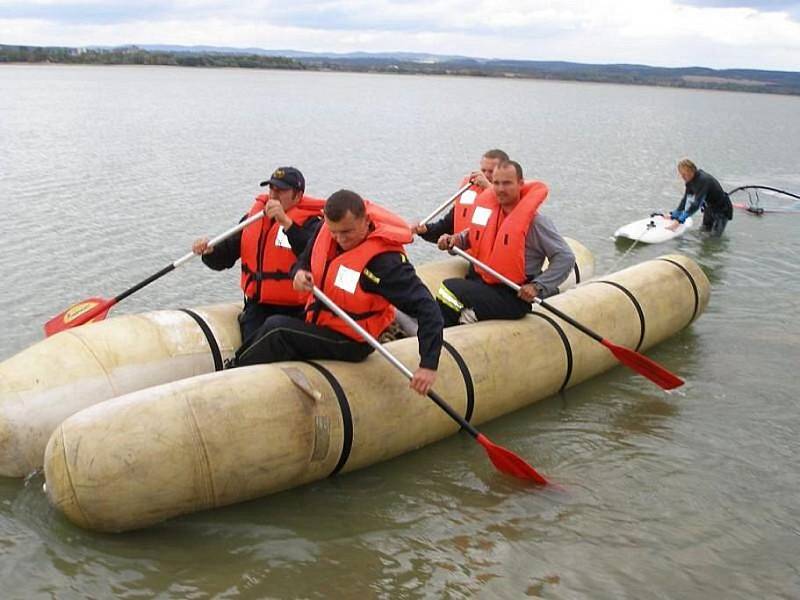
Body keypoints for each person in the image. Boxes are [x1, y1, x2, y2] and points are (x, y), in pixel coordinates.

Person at [232, 189, 444, 396]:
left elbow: (427, 308)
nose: (339, 238)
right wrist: (299, 272)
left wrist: (428, 365)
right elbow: (304, 260)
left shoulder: (385, 263)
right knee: (263, 317)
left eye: (347, 232)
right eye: (334, 232)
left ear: (365, 220)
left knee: (276, 329)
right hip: (320, 320)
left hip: (353, 339)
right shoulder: (325, 231)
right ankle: (242, 366)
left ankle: (233, 374)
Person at [192, 167, 325, 345]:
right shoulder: (253, 219)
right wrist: (209, 252)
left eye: (281, 191)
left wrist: (286, 223)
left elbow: (311, 255)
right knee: (254, 340)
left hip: (296, 310)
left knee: (269, 340)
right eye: (272, 189)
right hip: (258, 306)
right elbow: (225, 257)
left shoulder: (313, 224)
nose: (274, 195)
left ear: (298, 195)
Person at [435, 160, 575, 327]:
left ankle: (460, 323)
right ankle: (455, 324)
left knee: (447, 288)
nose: (500, 189)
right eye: (496, 183)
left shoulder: (537, 223)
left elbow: (565, 257)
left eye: (507, 183)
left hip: (512, 295)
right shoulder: (488, 211)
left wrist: (538, 286)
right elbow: (472, 236)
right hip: (483, 283)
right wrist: (454, 240)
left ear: (520, 184)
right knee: (448, 294)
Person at [413, 149, 510, 243]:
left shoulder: (513, 197)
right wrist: (425, 230)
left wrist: (489, 188)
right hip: (472, 255)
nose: (485, 175)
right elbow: (447, 226)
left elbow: (508, 216)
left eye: (491, 172)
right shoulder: (470, 191)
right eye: (483, 170)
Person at [667, 159, 733, 237]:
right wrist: (674, 215)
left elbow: (696, 205)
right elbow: (685, 200)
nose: (682, 177)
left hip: (722, 210)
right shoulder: (690, 181)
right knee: (703, 231)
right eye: (681, 174)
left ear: (691, 171)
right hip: (709, 208)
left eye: (684, 174)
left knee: (714, 239)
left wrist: (679, 221)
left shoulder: (703, 180)